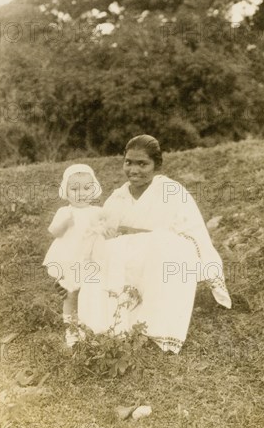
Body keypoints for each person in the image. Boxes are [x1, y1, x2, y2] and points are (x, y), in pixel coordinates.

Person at [78, 135, 231, 354]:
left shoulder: (171, 191)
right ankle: (112, 322)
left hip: (166, 255)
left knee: (163, 245)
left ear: (156, 165)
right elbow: (106, 228)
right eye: (128, 162)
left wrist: (132, 232)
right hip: (131, 256)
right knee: (101, 247)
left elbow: (187, 235)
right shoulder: (118, 197)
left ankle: (152, 326)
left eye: (142, 163)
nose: (134, 169)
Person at [43, 163, 106, 347]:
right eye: (74, 189)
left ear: (94, 189)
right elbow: (54, 232)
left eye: (87, 188)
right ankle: (71, 329)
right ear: (66, 191)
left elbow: (106, 229)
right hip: (70, 258)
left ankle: (87, 326)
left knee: (89, 292)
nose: (81, 193)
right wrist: (65, 222)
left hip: (91, 259)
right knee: (71, 293)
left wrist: (103, 228)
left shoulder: (97, 211)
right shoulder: (65, 211)